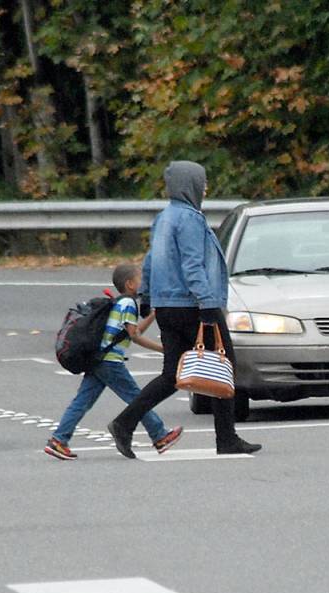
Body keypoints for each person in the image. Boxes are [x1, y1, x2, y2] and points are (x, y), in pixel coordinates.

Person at [107, 160, 261, 457]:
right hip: (193, 305)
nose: (205, 188)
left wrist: (148, 296)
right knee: (223, 365)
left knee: (171, 375)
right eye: (201, 182)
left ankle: (124, 423)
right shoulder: (190, 219)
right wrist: (206, 304)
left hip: (167, 307)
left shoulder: (163, 218)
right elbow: (193, 265)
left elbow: (152, 260)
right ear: (188, 184)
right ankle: (226, 439)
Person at [44, 264, 183, 460]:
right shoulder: (129, 304)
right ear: (130, 284)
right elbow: (134, 336)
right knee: (137, 398)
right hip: (110, 361)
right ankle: (160, 435)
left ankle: (58, 440)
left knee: (82, 401)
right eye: (141, 280)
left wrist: (153, 315)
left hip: (99, 359)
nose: (144, 284)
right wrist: (162, 349)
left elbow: (134, 330)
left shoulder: (121, 302)